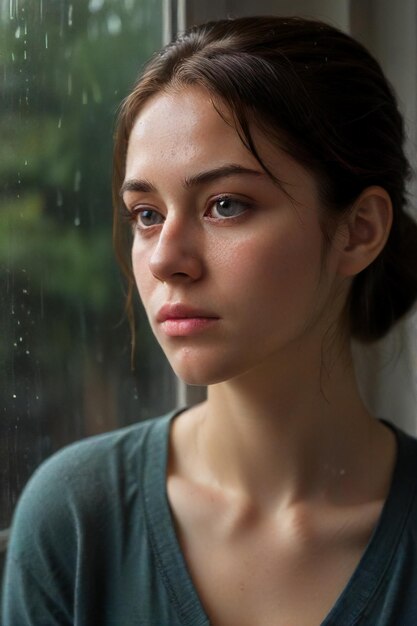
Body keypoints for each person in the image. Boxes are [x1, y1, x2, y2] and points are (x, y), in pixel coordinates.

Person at [2, 15, 417, 626]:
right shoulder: (75, 519)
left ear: (359, 231)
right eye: (146, 214)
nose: (166, 258)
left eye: (226, 205)